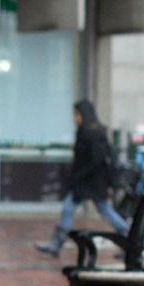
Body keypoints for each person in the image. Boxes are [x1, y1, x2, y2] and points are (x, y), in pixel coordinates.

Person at [35, 100, 129, 256]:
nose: (74, 118)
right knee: (71, 209)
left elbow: (96, 160)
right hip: (86, 183)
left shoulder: (92, 133)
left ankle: (129, 240)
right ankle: (56, 244)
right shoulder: (87, 131)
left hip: (91, 183)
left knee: (102, 210)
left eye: (76, 114)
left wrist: (78, 175)